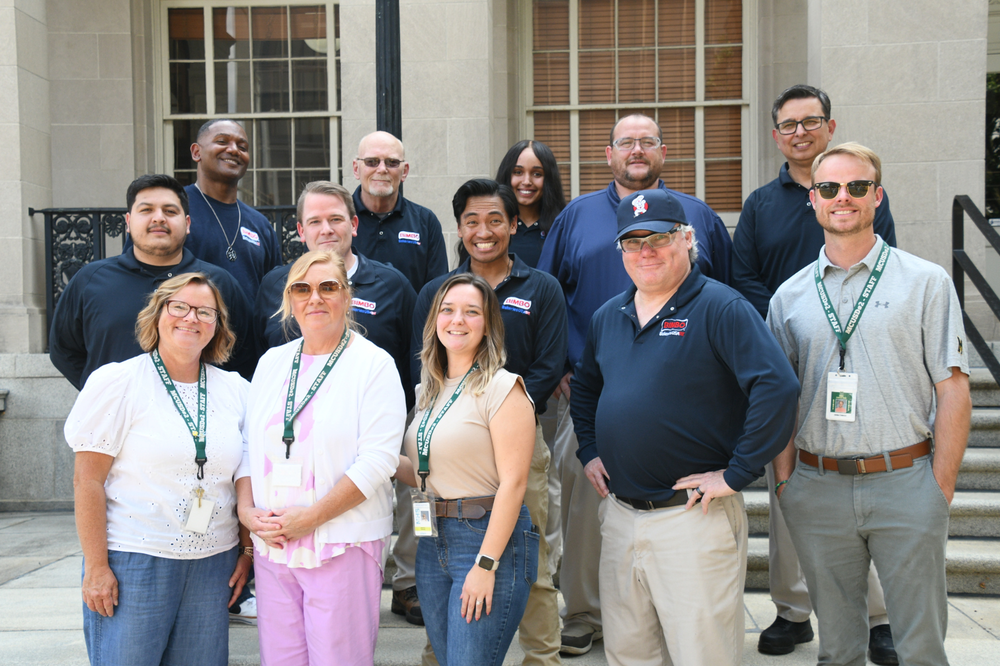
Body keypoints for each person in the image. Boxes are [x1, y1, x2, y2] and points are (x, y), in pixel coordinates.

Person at [571, 188, 799, 665]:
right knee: (629, 653)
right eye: (633, 243)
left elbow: (777, 387)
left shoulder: (721, 307)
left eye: (658, 238)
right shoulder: (607, 316)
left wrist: (736, 474)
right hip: (620, 515)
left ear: (687, 239)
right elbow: (587, 388)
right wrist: (589, 449)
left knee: (702, 654)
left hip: (691, 518)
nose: (645, 252)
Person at [536, 112, 733, 655]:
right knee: (584, 506)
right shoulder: (576, 217)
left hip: (686, 403)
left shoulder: (698, 215)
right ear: (609, 154)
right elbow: (548, 296)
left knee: (685, 514)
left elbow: (731, 294)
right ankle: (581, 611)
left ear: (664, 153)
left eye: (648, 142)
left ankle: (676, 615)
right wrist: (560, 371)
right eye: (627, 142)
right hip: (590, 396)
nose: (637, 150)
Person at [768, 142, 971, 666]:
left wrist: (939, 487)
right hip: (817, 488)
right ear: (812, 199)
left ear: (876, 197)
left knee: (920, 647)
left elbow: (953, 389)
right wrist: (788, 482)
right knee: (837, 650)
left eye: (857, 187)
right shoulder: (788, 297)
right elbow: (779, 399)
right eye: (830, 188)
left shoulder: (925, 282)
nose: (844, 197)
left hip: (905, 481)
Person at [731, 84, 898, 661]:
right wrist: (781, 332)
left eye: (811, 121)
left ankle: (877, 617)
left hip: (857, 361)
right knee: (788, 484)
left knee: (860, 484)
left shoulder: (863, 194)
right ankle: (792, 609)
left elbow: (886, 272)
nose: (800, 132)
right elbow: (743, 276)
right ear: (776, 135)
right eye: (789, 125)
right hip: (786, 362)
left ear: (830, 126)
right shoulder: (760, 204)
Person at [411, 179, 568, 665]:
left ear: (515, 224)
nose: (484, 231)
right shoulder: (438, 291)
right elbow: (427, 361)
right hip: (444, 473)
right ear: (458, 229)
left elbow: (550, 363)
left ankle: (541, 658)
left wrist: (494, 409)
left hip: (514, 440)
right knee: (447, 608)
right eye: (472, 221)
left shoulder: (541, 287)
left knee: (533, 569)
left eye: (495, 220)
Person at [253, 181, 422, 626]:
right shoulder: (272, 319)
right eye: (315, 221)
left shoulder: (392, 286)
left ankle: (405, 584)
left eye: (328, 287)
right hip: (277, 531)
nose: (314, 298)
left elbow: (413, 360)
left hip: (350, 503)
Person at [66, 273, 253, 666]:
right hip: (134, 560)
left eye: (205, 311)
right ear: (158, 314)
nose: (191, 318)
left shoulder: (237, 390)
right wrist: (97, 567)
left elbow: (246, 477)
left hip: (212, 563)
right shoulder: (118, 382)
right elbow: (88, 480)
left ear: (217, 326)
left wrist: (247, 550)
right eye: (180, 307)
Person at [237, 250, 405, 665]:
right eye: (302, 288)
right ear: (290, 300)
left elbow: (379, 460)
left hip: (341, 541)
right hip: (274, 543)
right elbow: (245, 447)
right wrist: (246, 511)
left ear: (347, 297)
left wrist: (310, 518)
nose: (315, 298)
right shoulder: (272, 362)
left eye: (328, 287)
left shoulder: (374, 365)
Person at [396, 273, 539, 666]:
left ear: (488, 324)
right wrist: (377, 459)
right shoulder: (430, 390)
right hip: (432, 539)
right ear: (435, 320)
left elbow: (515, 483)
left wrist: (486, 564)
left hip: (486, 539)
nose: (457, 320)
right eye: (448, 310)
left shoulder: (502, 387)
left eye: (471, 312)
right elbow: (427, 472)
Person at [49, 174, 256, 389]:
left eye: (170, 211)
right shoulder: (89, 281)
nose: (158, 218)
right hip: (117, 418)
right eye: (146, 210)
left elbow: (245, 353)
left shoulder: (218, 283)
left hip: (197, 418)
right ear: (128, 222)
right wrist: (102, 393)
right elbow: (64, 351)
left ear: (187, 224)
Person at [124, 120, 282, 301]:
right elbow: (134, 277)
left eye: (242, 147)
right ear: (196, 152)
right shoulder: (171, 212)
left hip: (246, 330)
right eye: (222, 142)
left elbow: (274, 294)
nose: (233, 150)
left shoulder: (260, 224)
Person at [352, 130, 448, 293]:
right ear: (356, 168)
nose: (382, 169)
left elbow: (437, 293)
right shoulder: (337, 221)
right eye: (372, 161)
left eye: (392, 162)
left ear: (404, 171)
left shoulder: (425, 222)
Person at [493, 139, 566, 268]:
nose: (526, 181)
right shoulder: (489, 228)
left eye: (537, 174)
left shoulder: (563, 229)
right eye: (518, 172)